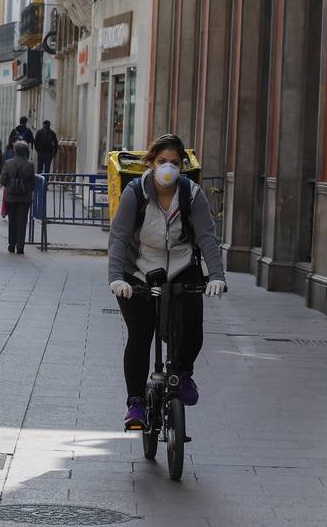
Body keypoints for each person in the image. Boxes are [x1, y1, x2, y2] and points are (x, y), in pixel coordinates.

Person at [107, 133, 226, 432]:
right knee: (140, 334)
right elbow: (119, 237)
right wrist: (117, 279)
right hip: (138, 270)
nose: (168, 168)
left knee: (192, 329)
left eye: (174, 163)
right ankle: (136, 403)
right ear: (151, 162)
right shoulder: (136, 192)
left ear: (182, 167)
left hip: (182, 265)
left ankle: (183, 374)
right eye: (162, 162)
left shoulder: (192, 195)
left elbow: (207, 237)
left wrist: (217, 276)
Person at [0, 141, 37, 254]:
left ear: (15, 151)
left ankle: (11, 244)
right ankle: (20, 246)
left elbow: (2, 180)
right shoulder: (30, 165)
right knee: (22, 221)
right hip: (25, 197)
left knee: (12, 221)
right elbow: (32, 183)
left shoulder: (8, 163)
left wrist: (10, 185)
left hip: (11, 197)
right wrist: (25, 188)